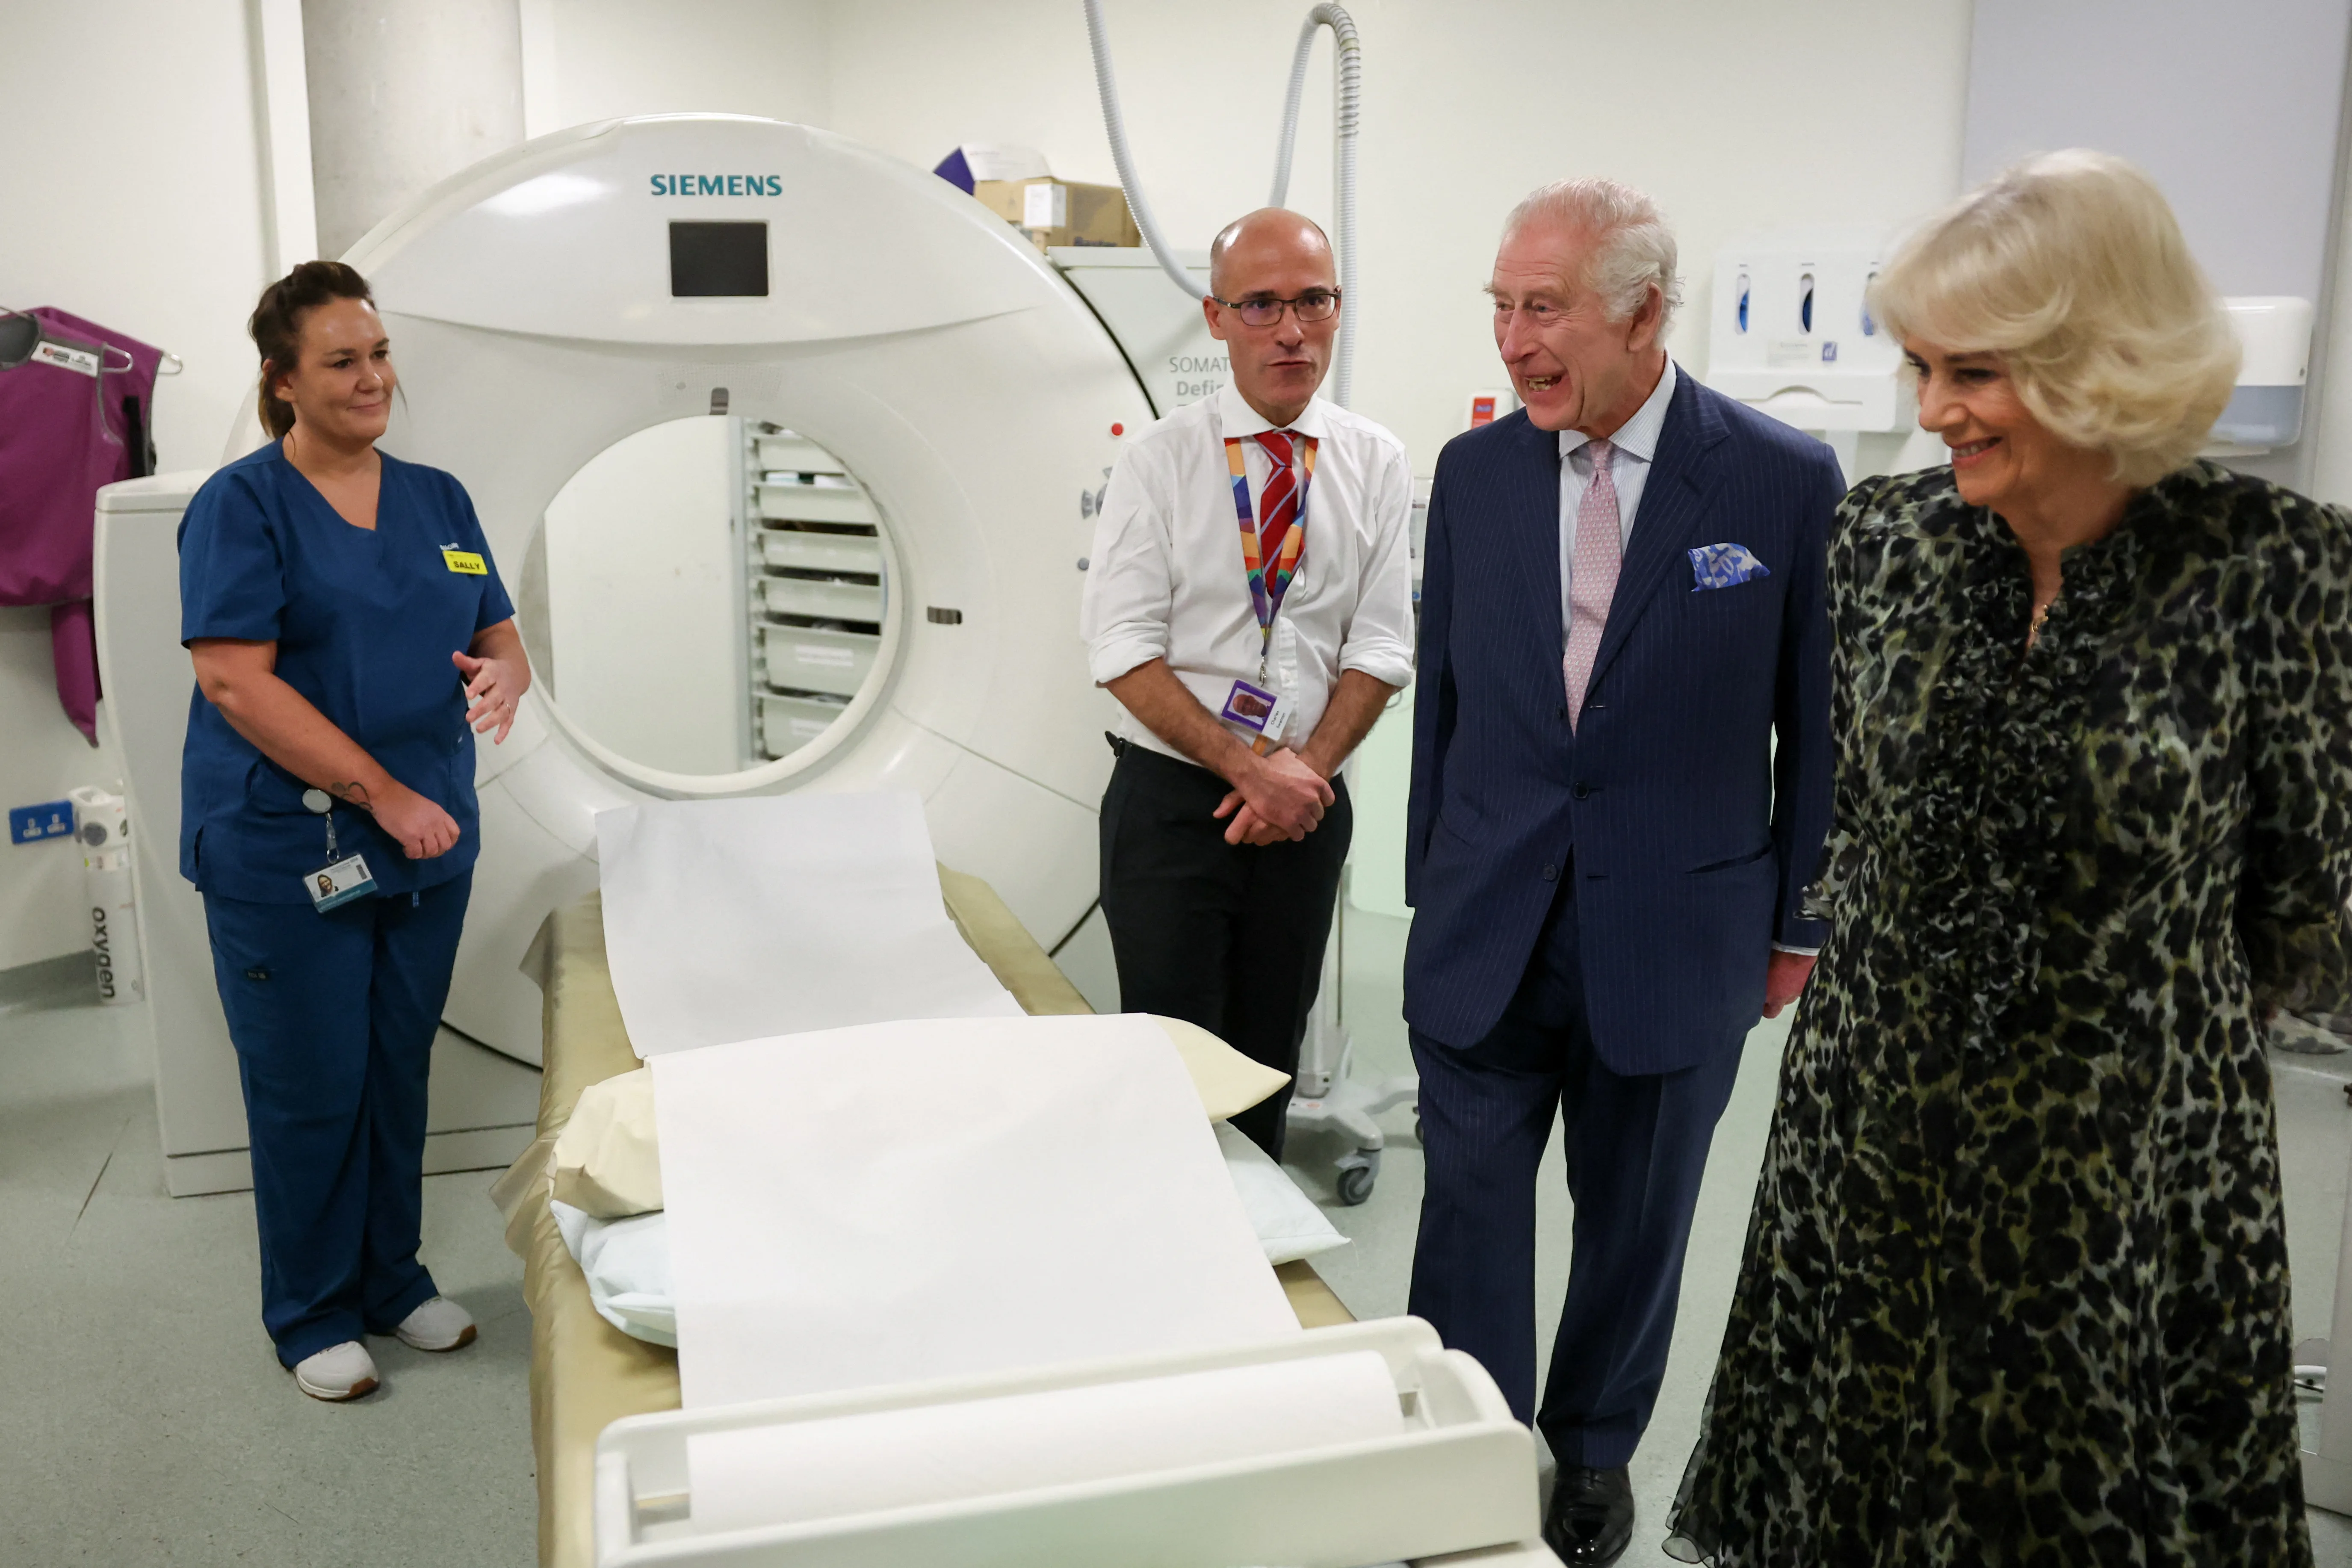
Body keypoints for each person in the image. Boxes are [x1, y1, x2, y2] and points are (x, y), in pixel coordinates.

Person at [1664, 149, 2346, 1566]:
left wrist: (2126, 1012)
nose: (1932, 413)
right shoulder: (1886, 542)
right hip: (1872, 1142)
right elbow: (1866, 815)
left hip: (2122, 1177)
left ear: (2102, 362)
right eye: (1920, 365)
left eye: (1973, 373)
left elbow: (2305, 906)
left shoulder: (2276, 569)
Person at [1404, 178, 1841, 1565]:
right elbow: (1449, 697)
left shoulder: (1779, 479)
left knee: (1637, 1216)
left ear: (1646, 315)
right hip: (1490, 911)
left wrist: (1801, 924)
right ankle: (1472, 1443)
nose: (1514, 340)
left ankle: (1592, 1449)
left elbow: (1821, 723)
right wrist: (1432, 877)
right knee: (1468, 1204)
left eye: (1544, 310)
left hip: (1679, 927)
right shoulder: (1473, 475)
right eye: (1501, 307)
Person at [180, 261, 532, 1402]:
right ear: (284, 383)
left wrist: (507, 678)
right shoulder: (241, 505)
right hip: (296, 844)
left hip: (428, 840)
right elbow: (236, 683)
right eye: (341, 361)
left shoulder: (438, 498)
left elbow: (498, 629)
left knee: (393, 1070)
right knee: (309, 1082)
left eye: (378, 356)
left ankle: (391, 1279)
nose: (371, 378)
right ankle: (312, 1312)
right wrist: (384, 793)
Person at [1081, 208, 1414, 1158]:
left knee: (1267, 1060)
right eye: (1260, 305)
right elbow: (1120, 649)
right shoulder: (1159, 462)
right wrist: (1246, 769)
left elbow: (1382, 647)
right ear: (1217, 317)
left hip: (1303, 810)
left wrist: (1295, 777)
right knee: (1171, 1066)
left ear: (1337, 308)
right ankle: (1167, 1262)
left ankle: (1258, 1270)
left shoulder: (1374, 461)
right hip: (1174, 809)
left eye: (1312, 301)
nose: (1291, 330)